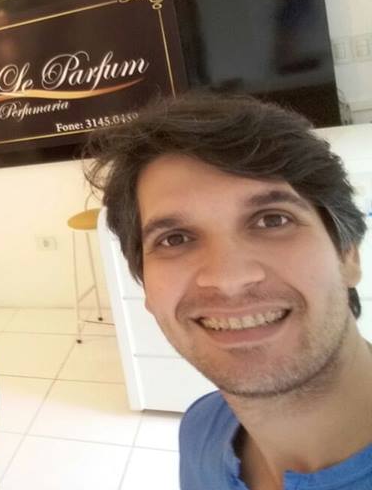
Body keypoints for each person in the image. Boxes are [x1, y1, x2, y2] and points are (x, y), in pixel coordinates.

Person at [84, 93, 371, 490]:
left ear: (347, 253)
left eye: (272, 220)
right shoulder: (200, 431)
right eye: (175, 238)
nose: (228, 278)